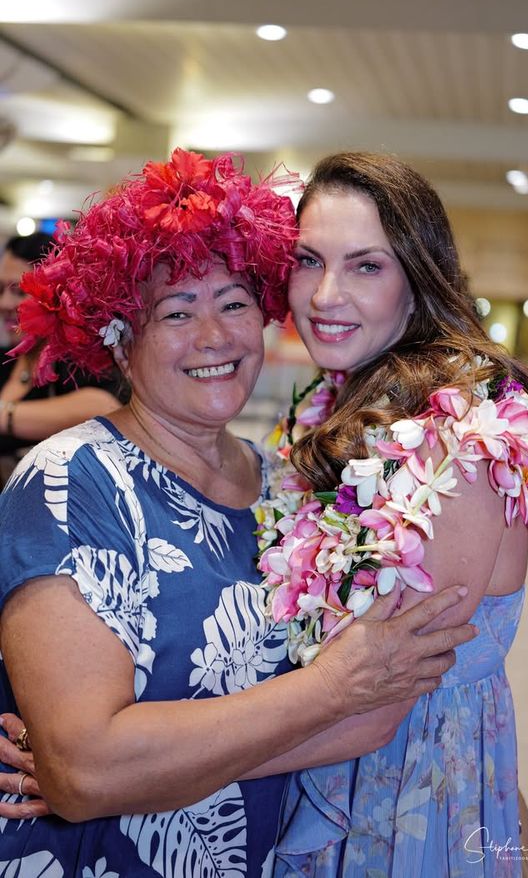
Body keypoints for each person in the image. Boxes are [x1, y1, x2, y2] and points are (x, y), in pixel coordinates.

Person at [0, 149, 477, 876]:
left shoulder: (284, 480)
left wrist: (124, 771)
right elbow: (87, 770)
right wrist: (325, 689)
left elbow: (366, 716)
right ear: (122, 343)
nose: (214, 337)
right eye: (177, 311)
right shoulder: (70, 483)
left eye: (233, 304)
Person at [261, 152, 528, 876]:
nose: (326, 294)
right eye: (309, 260)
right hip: (328, 751)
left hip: (400, 785)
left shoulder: (458, 441)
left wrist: (149, 768)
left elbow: (375, 702)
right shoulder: (335, 402)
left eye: (366, 266)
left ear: (417, 278)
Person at [0, 232, 124, 486]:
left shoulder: (76, 356)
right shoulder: (9, 360)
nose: (4, 303)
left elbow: (104, 407)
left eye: (17, 292)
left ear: (54, 294)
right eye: (0, 290)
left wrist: (7, 416)